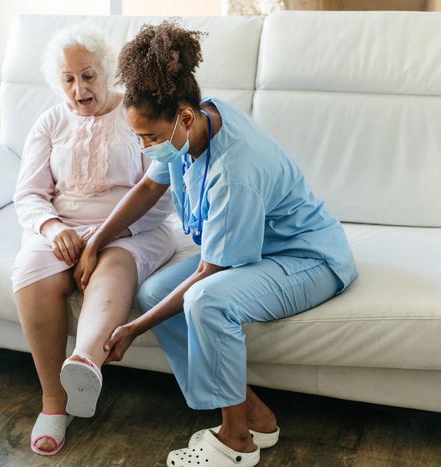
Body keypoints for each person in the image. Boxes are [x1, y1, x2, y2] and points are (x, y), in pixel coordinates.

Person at [74, 21, 357, 467]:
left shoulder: (236, 172)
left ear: (184, 118)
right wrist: (97, 241)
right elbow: (149, 188)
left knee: (206, 301)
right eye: (139, 138)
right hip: (259, 250)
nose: (146, 148)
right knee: (151, 291)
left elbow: (211, 273)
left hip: (307, 259)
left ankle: (236, 440)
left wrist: (133, 328)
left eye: (150, 138)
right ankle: (255, 415)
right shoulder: (194, 123)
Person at [12, 25, 176, 456]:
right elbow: (28, 194)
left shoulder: (137, 115)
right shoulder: (49, 122)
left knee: (114, 266)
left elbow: (161, 194)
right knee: (31, 273)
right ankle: (53, 403)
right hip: (63, 226)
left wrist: (100, 239)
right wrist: (52, 228)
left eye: (88, 75)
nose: (79, 88)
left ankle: (84, 362)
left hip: (133, 228)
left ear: (107, 71)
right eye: (68, 79)